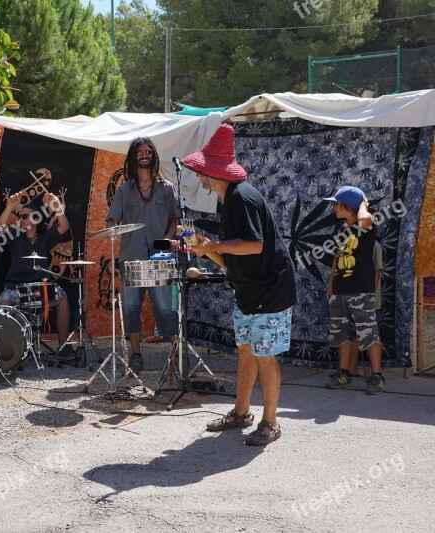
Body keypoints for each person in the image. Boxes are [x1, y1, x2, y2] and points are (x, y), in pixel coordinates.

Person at [184, 124, 297, 446]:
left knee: (265, 356)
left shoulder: (242, 197)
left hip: (270, 288)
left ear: (214, 172)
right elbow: (231, 256)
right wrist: (207, 249)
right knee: (246, 352)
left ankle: (270, 422)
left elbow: (254, 245)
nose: (200, 177)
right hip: (248, 289)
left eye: (202, 171)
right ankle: (241, 413)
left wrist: (214, 244)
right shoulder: (229, 200)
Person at [105, 137, 179, 374]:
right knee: (130, 306)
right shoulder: (125, 190)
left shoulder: (166, 188)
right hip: (132, 257)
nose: (144, 154)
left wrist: (166, 241)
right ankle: (136, 354)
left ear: (154, 156)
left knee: (165, 307)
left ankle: (176, 354)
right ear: (133, 156)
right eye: (140, 151)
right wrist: (113, 226)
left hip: (159, 258)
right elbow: (112, 218)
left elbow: (174, 220)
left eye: (148, 151)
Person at [0, 191, 73, 361]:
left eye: (25, 216)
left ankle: (63, 346)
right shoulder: (15, 235)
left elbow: (64, 227)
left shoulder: (46, 236)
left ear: (36, 219)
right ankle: (7, 353)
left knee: (62, 297)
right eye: (21, 216)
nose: (21, 220)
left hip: (41, 287)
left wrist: (57, 207)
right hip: (15, 287)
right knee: (4, 305)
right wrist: (9, 207)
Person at [324, 186, 385, 394]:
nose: (333, 207)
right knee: (342, 333)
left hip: (360, 291)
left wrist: (362, 205)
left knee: (369, 333)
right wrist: (331, 284)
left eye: (337, 204)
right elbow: (336, 258)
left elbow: (364, 218)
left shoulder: (365, 226)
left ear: (347, 206)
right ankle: (344, 374)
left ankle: (377, 376)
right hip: (341, 290)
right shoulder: (342, 230)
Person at [330, 241, 382, 378]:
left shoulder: (374, 245)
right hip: (348, 296)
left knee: (369, 333)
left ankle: (376, 373)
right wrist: (331, 287)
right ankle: (350, 370)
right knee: (349, 332)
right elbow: (336, 266)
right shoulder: (344, 243)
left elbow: (377, 271)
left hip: (366, 297)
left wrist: (369, 294)